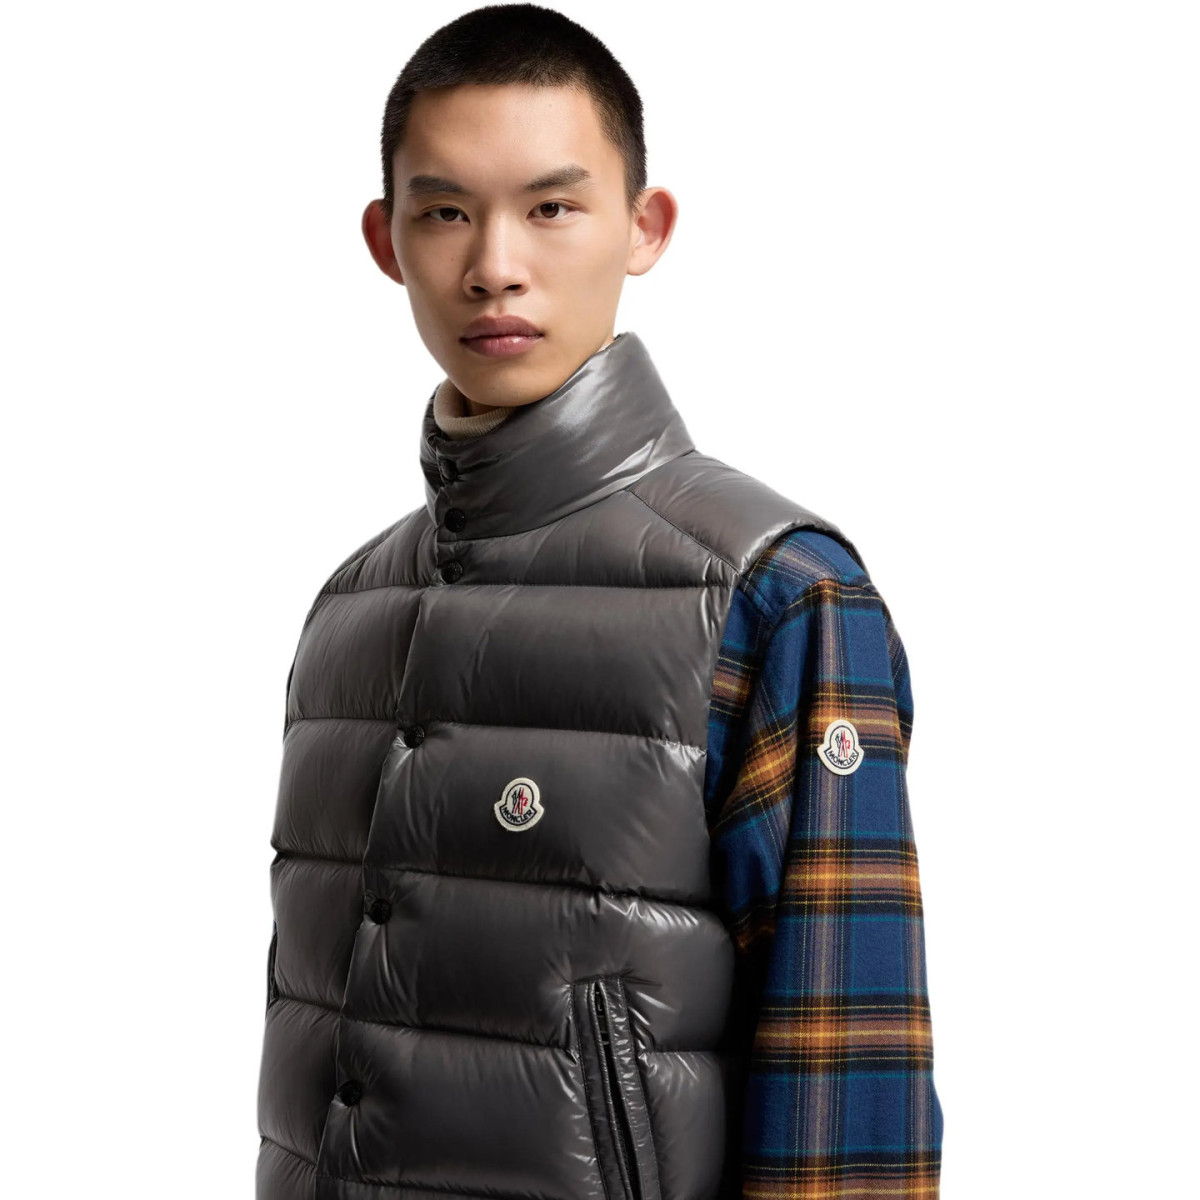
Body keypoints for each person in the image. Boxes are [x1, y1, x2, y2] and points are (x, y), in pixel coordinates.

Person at [254, 5, 943, 1199]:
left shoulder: (777, 593)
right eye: (446, 212)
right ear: (385, 238)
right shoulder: (348, 615)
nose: (494, 266)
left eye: (551, 208)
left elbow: (849, 1090)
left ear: (644, 226)